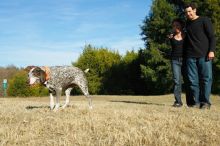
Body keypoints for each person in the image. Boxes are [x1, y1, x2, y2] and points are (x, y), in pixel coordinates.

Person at [184, 3, 216, 109]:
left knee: (206, 79)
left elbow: (212, 36)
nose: (188, 14)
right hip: (190, 56)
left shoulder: (204, 20)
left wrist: (211, 51)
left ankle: (205, 102)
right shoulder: (187, 24)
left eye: (189, 11)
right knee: (193, 81)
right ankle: (196, 103)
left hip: (204, 55)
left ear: (195, 10)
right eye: (186, 12)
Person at [168, 18, 186, 107]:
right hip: (175, 60)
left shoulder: (186, 36)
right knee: (177, 81)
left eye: (177, 25)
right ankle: (178, 101)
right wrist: (170, 36)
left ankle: (193, 102)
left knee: (190, 80)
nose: (176, 27)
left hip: (186, 60)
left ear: (181, 25)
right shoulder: (171, 37)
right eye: (174, 25)